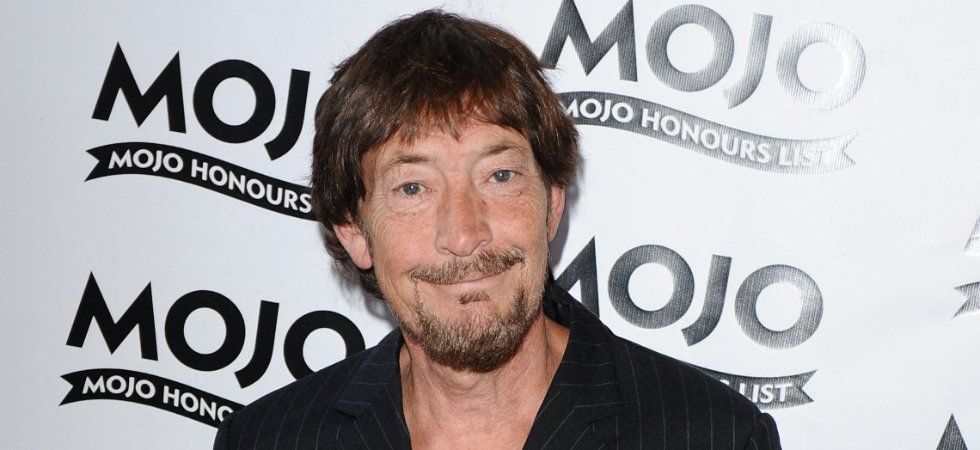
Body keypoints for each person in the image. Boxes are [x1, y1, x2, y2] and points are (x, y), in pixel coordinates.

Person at [214, 10, 780, 449]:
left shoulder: (713, 435)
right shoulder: (270, 439)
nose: (464, 234)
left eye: (500, 176)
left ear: (552, 202)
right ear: (354, 232)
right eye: (413, 189)